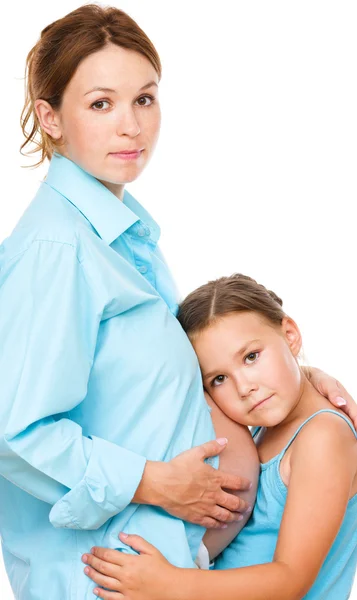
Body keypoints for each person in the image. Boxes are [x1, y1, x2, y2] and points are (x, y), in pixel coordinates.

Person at [0, 4, 355, 599]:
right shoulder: (59, 249)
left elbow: (160, 382)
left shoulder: (122, 240)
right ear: (50, 117)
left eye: (145, 99)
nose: (131, 127)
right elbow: (16, 432)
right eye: (100, 103)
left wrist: (298, 378)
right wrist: (153, 483)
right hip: (107, 578)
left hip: (166, 571)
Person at [82, 274, 357, 599]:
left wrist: (169, 584)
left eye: (251, 357)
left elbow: (291, 579)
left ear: (291, 335)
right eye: (219, 378)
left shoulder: (323, 437)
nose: (244, 387)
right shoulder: (267, 424)